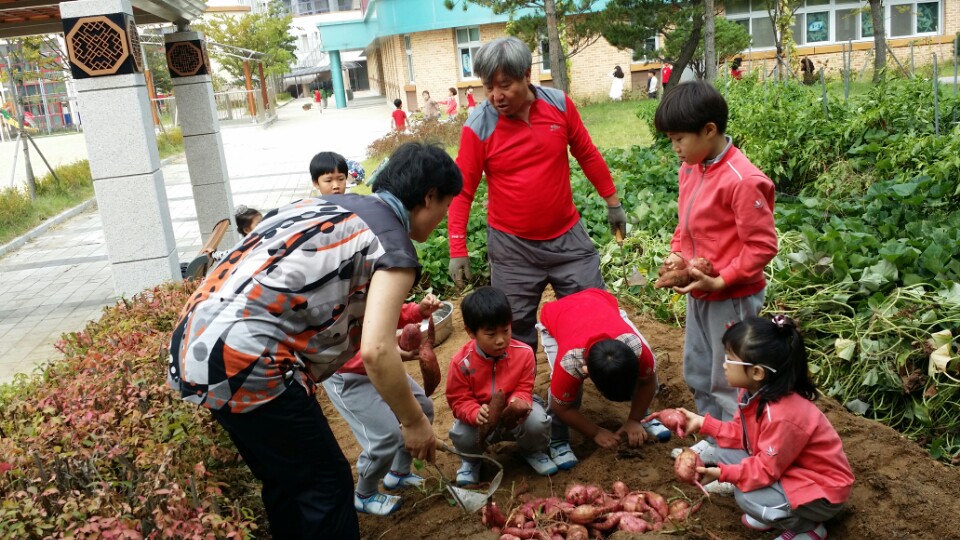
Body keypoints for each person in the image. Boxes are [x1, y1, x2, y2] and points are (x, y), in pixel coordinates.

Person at [167, 142, 463, 539]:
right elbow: (376, 353)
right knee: (326, 484)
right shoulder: (393, 246)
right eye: (446, 205)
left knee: (289, 481)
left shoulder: (332, 207)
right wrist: (413, 423)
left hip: (194, 344)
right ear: (429, 197)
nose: (443, 218)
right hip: (248, 357)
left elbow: (320, 300)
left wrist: (390, 347)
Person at [447, 36, 627, 353]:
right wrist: (457, 247)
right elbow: (463, 190)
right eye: (488, 86)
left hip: (567, 239)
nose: (495, 95)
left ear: (527, 75)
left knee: (592, 313)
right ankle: (522, 398)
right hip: (511, 248)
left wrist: (613, 203)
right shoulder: (478, 125)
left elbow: (586, 154)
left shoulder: (559, 105)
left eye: (504, 85)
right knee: (513, 335)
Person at [653, 81, 778, 466]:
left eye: (678, 139)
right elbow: (685, 225)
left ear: (709, 130)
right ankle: (711, 433)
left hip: (733, 297)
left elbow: (762, 246)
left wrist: (722, 279)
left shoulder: (743, 180)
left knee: (730, 377)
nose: (675, 148)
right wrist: (678, 255)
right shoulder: (691, 169)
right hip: (701, 290)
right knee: (698, 366)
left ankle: (735, 451)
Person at [675, 315, 853, 538]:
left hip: (821, 492)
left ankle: (807, 528)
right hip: (789, 468)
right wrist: (704, 423)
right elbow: (742, 435)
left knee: (746, 496)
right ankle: (771, 511)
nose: (724, 365)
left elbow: (766, 470)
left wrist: (723, 473)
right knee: (724, 450)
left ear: (757, 372)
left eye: (730, 359)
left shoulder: (782, 416)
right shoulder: (752, 393)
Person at [322, 295, 441, 516]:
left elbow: (385, 307)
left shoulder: (363, 276)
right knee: (385, 437)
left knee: (423, 407)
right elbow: (341, 355)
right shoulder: (324, 301)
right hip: (347, 375)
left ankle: (398, 473)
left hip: (381, 360)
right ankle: (364, 494)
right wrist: (392, 353)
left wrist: (418, 310)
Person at [536, 288, 668, 470]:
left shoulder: (635, 346)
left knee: (645, 373)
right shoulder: (570, 362)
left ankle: (642, 414)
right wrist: (594, 431)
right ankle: (558, 439)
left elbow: (648, 380)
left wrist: (634, 420)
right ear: (587, 372)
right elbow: (561, 407)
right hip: (557, 318)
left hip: (599, 302)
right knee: (565, 393)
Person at [446, 287, 557, 485]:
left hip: (513, 415)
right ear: (471, 332)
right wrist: (474, 412)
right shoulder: (461, 362)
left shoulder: (524, 353)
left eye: (505, 330)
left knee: (537, 422)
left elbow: (524, 387)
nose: (500, 340)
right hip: (481, 418)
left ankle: (531, 451)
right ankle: (472, 461)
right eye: (490, 334)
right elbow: (458, 399)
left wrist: (518, 402)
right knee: (462, 435)